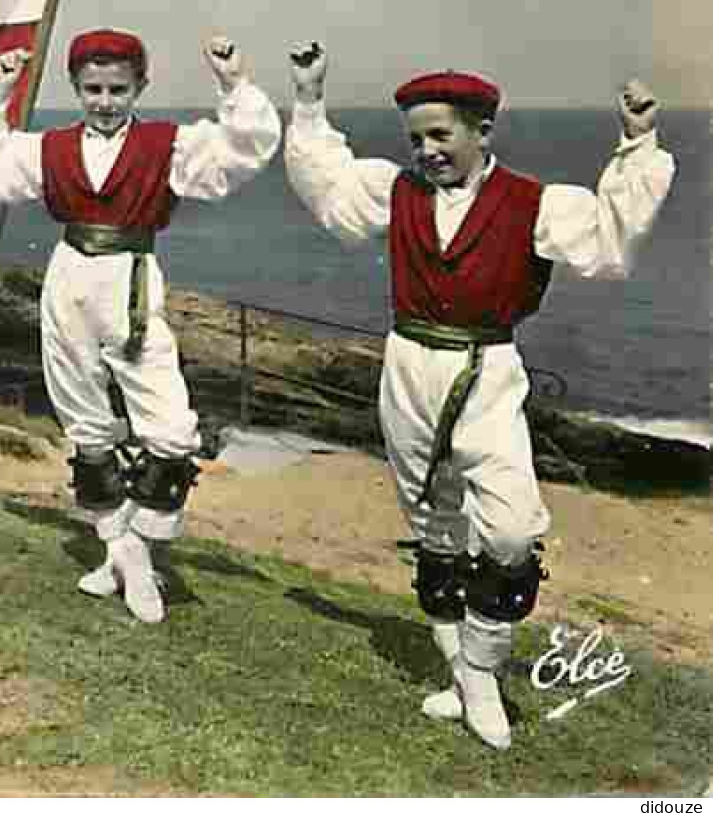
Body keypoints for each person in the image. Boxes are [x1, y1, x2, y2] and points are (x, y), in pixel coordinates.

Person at [283, 44, 674, 749]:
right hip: (407, 365)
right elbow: (328, 187)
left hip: (487, 368)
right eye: (417, 138)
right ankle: (465, 676)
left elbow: (610, 242)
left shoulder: (534, 203)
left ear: (481, 129)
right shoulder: (396, 191)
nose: (427, 150)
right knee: (434, 523)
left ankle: (483, 669)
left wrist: (638, 142)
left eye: (441, 135)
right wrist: (309, 99)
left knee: (511, 529)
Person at [0, 30, 282, 623]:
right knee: (85, 421)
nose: (104, 101)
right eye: (92, 89)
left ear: (140, 87)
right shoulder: (51, 148)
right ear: (77, 88)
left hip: (130, 279)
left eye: (117, 89)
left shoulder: (167, 145)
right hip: (69, 277)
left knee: (171, 431)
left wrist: (233, 82)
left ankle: (136, 550)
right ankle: (123, 551)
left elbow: (245, 148)